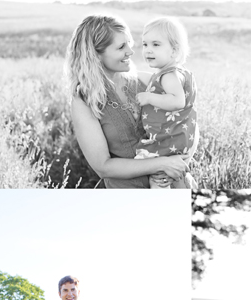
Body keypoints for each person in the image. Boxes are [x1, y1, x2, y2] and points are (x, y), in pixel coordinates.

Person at [65, 14, 190, 188]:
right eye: (121, 47)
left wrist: (181, 162)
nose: (130, 52)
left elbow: (190, 122)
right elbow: (103, 167)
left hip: (175, 184)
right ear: (95, 54)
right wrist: (162, 164)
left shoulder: (148, 82)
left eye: (129, 43)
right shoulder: (84, 101)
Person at [134, 17, 199, 189]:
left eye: (156, 44)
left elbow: (177, 101)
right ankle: (185, 184)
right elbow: (155, 82)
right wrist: (133, 74)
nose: (148, 50)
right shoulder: (173, 73)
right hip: (178, 138)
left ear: (174, 50)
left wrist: (149, 98)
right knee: (174, 178)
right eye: (145, 44)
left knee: (158, 178)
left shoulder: (169, 75)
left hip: (168, 142)